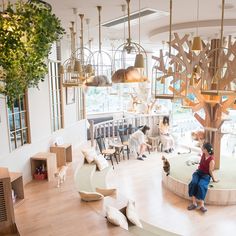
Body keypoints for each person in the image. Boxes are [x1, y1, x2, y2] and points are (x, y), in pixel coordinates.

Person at [187, 142, 219, 213]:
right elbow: (200, 163)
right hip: (198, 172)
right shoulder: (203, 154)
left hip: (206, 175)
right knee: (193, 183)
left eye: (203, 148)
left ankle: (202, 205)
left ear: (206, 150)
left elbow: (210, 171)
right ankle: (194, 203)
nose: (201, 149)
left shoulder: (212, 160)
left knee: (201, 185)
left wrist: (214, 179)